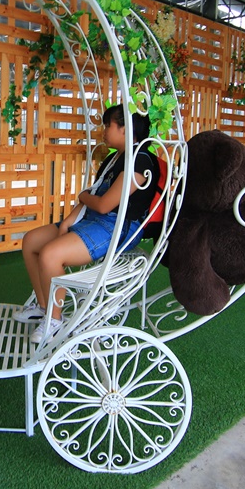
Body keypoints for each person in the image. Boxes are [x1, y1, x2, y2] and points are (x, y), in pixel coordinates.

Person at [15, 106, 159, 342]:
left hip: (116, 226)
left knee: (50, 255)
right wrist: (68, 222)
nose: (103, 131)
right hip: (93, 219)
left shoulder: (140, 160)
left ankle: (54, 320)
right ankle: (43, 307)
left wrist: (82, 196)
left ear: (125, 129)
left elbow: (103, 205)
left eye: (108, 125)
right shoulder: (115, 159)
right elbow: (93, 196)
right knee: (31, 241)